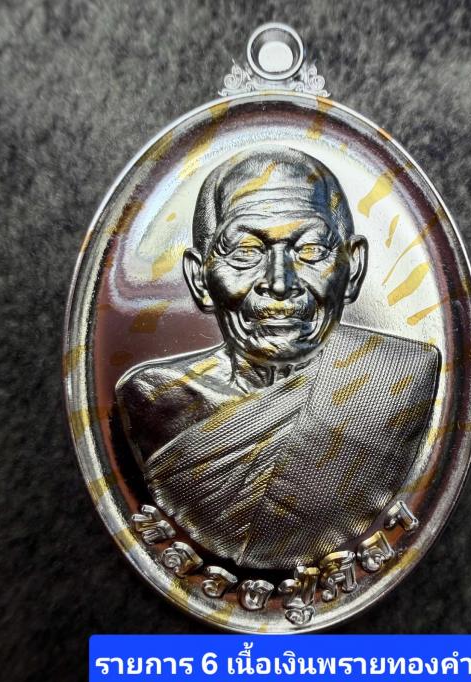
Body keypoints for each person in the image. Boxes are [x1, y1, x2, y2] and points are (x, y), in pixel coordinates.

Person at [116, 146, 440, 570]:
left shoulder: (396, 380)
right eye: (245, 252)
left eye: (311, 250)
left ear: (353, 269)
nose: (280, 283)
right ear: (199, 278)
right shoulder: (156, 401)